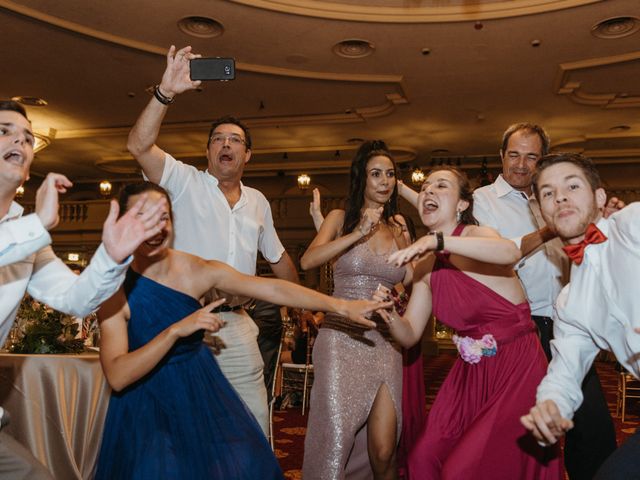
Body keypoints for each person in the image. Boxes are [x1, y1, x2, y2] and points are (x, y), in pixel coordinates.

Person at [94, 182, 383, 479]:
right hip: (144, 403)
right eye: (143, 217)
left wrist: (340, 306)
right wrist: (175, 332)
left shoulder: (197, 269)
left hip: (198, 389)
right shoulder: (113, 286)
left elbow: (272, 287)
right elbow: (117, 375)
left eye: (162, 217)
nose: (155, 228)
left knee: (244, 462)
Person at [127, 45, 299, 434]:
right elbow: (138, 146)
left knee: (254, 424)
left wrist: (304, 304)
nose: (225, 144)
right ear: (207, 150)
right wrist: (164, 92)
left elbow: (279, 260)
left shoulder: (258, 202)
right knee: (181, 427)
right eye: (218, 139)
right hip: (184, 322)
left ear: (248, 154)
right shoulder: (183, 181)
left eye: (235, 140)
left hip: (237, 326)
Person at [0, 100, 168, 479]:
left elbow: (75, 299)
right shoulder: (31, 232)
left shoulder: (30, 239)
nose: (21, 141)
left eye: (28, 137)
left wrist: (111, 257)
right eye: (4, 131)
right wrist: (38, 224)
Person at [376, 167, 562, 479]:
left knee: (463, 469)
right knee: (423, 459)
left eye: (441, 185)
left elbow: (509, 252)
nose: (429, 191)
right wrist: (388, 313)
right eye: (426, 188)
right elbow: (408, 335)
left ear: (463, 204)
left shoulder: (477, 235)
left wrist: (438, 241)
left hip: (516, 366)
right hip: (468, 375)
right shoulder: (425, 262)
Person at [520, 153, 639, 480]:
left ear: (600, 198)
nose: (559, 196)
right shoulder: (570, 303)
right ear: (543, 213)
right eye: (548, 193)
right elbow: (566, 370)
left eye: (572, 185)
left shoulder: (633, 225)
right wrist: (551, 406)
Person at [300, 140, 412, 480]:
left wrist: (400, 291)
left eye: (390, 174)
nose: (384, 181)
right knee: (335, 443)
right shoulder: (339, 218)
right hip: (341, 339)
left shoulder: (399, 225)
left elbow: (409, 278)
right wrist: (357, 233)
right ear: (360, 179)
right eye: (375, 173)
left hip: (383, 342)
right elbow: (309, 260)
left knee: (383, 449)